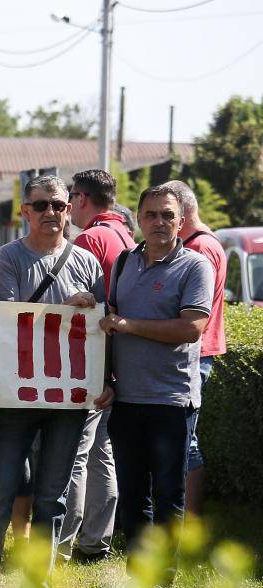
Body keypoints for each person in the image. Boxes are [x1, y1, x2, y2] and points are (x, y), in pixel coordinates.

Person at [0, 177, 104, 588]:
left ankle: (38, 584)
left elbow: (103, 332)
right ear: (25, 211)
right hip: (16, 398)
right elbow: (9, 322)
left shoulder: (89, 262)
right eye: (41, 205)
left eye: (58, 204)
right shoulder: (9, 259)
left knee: (51, 498)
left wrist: (93, 314)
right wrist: (64, 311)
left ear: (69, 210)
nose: (51, 212)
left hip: (67, 400)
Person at [102, 184, 213, 553]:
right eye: (151, 214)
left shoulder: (195, 265)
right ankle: (139, 571)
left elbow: (191, 328)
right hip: (127, 398)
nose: (159, 222)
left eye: (168, 215)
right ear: (138, 219)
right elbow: (108, 323)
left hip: (172, 400)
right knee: (132, 494)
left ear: (181, 221)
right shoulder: (123, 263)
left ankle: (163, 576)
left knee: (169, 494)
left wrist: (128, 325)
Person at [62, 168, 134, 562]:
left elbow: (90, 306)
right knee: (101, 453)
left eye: (69, 198)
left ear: (82, 199)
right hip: (115, 358)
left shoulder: (90, 238)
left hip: (92, 361)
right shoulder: (125, 234)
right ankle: (96, 541)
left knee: (75, 454)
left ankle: (64, 541)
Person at [166, 180, 227, 517]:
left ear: (182, 213)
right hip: (199, 351)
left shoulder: (199, 249)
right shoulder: (207, 242)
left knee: (185, 442)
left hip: (194, 353)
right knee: (184, 440)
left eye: (168, 213)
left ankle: (190, 523)